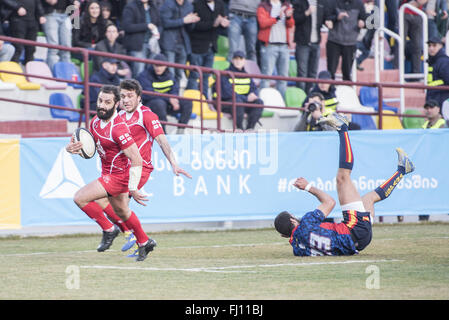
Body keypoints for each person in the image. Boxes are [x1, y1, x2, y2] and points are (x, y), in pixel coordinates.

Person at [274, 112, 416, 256]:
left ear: (285, 236)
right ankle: (342, 128)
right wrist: (308, 187)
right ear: (293, 220)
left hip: (360, 242)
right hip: (354, 229)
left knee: (368, 199)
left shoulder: (297, 249)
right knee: (342, 177)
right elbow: (329, 202)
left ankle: (403, 170)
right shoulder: (305, 223)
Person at [65, 85, 157, 261]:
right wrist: (72, 148)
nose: (102, 105)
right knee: (122, 211)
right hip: (109, 173)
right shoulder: (95, 122)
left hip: (119, 176)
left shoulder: (119, 128)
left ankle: (109, 228)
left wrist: (133, 188)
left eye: (107, 102)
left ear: (116, 105)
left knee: (80, 197)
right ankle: (145, 242)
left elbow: (137, 159)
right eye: (100, 101)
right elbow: (89, 148)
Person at [137, 54, 193, 133]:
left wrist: (174, 98)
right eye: (156, 65)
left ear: (166, 66)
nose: (158, 68)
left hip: (167, 103)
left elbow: (175, 88)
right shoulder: (144, 75)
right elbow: (148, 94)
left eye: (161, 66)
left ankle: (180, 131)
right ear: (153, 65)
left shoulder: (170, 75)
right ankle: (162, 134)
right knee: (159, 103)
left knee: (187, 102)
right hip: (150, 104)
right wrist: (169, 99)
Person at [186, 0, 229, 99]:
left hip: (212, 46)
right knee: (194, 75)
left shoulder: (220, 4)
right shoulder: (196, 4)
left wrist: (223, 24)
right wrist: (213, 24)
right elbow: (193, 26)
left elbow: (221, 25)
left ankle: (204, 100)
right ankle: (190, 100)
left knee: (206, 77)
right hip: (197, 46)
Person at [216, 50, 264, 131]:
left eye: (241, 59)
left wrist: (253, 95)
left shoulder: (247, 75)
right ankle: (239, 129)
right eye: (236, 59)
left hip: (241, 102)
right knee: (238, 101)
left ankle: (250, 129)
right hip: (226, 103)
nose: (238, 61)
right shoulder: (225, 74)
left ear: (244, 61)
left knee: (259, 102)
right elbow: (227, 93)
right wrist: (246, 99)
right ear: (232, 60)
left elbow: (253, 88)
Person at [257, 0, 295, 99]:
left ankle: (281, 103)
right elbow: (262, 23)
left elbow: (291, 24)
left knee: (283, 78)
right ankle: (263, 102)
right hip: (269, 45)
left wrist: (288, 17)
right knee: (266, 77)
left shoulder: (286, 5)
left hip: (284, 46)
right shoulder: (263, 6)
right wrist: (277, 17)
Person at [159, 0, 200, 85]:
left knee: (179, 73)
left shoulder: (188, 5)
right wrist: (183, 20)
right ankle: (169, 94)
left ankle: (175, 93)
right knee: (170, 72)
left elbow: (189, 28)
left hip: (183, 43)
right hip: (169, 43)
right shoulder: (167, 4)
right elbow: (165, 23)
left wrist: (192, 21)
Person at [292, 0, 329, 93]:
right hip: (303, 43)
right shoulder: (299, 2)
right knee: (302, 73)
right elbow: (295, 19)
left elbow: (325, 19)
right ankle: (300, 96)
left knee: (313, 73)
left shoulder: (321, 3)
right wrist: (307, 13)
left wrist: (330, 21)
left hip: (316, 43)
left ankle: (310, 95)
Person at [326, 0, 367, 81]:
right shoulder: (332, 2)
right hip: (334, 41)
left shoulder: (359, 4)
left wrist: (362, 23)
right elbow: (326, 17)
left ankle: (347, 91)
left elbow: (364, 18)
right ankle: (330, 91)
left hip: (350, 43)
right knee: (331, 72)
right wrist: (337, 17)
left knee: (347, 73)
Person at [121, 0, 161, 77]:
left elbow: (160, 24)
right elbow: (127, 26)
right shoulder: (131, 6)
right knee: (139, 72)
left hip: (152, 44)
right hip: (137, 46)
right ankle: (137, 89)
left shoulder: (153, 7)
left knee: (151, 72)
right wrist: (146, 26)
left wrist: (157, 34)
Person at [2, 0, 46, 65]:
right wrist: (17, 7)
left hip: (33, 21)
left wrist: (41, 14)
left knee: (31, 48)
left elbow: (38, 2)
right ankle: (14, 70)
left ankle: (30, 71)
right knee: (17, 47)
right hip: (17, 20)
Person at [41, 0, 79, 70]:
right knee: (53, 46)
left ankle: (65, 73)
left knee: (66, 47)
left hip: (66, 14)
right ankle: (53, 73)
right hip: (51, 14)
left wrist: (75, 2)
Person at [401, 0, 428, 77]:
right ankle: (397, 71)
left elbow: (422, 1)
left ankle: (416, 75)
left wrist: (418, 2)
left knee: (417, 46)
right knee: (400, 43)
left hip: (418, 13)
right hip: (404, 11)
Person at [425, 36, 449, 106]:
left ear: (441, 46)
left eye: (434, 45)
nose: (431, 48)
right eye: (429, 46)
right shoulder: (433, 61)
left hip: (441, 99)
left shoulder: (444, 62)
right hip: (433, 97)